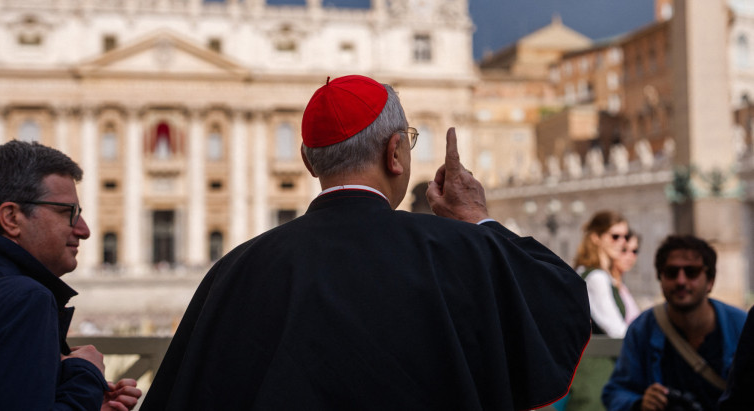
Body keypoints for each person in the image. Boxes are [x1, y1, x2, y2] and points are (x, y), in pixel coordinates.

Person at [140, 75, 591, 410]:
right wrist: (476, 219)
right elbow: (561, 302)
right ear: (394, 153)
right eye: (409, 144)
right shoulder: (458, 251)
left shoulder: (236, 269)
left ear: (308, 162)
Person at [0, 141, 141, 410]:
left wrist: (89, 404)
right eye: (68, 212)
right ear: (11, 218)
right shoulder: (25, 299)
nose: (84, 229)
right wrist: (85, 373)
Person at [602, 235, 747, 411]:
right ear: (660, 278)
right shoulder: (643, 328)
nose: (681, 280)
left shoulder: (741, 325)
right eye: (671, 272)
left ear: (710, 281)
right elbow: (616, 391)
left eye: (691, 272)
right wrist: (640, 403)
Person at [565, 211, 636, 411]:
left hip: (592, 372)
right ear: (596, 238)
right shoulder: (596, 278)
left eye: (626, 236)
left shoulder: (588, 273)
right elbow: (617, 331)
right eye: (615, 236)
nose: (622, 242)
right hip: (599, 376)